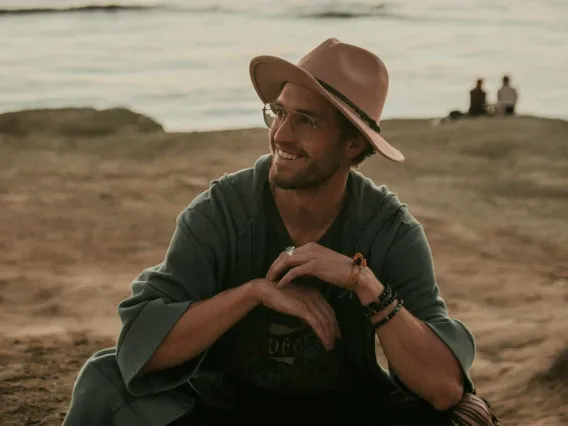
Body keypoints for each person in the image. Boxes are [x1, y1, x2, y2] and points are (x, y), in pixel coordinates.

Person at [62, 39, 500, 426]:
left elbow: (443, 388)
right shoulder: (222, 212)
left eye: (306, 120)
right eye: (280, 112)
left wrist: (363, 282)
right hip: (223, 411)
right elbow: (144, 349)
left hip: (348, 411)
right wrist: (253, 293)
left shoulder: (389, 229)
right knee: (105, 381)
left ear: (353, 144)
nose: (281, 133)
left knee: (462, 417)